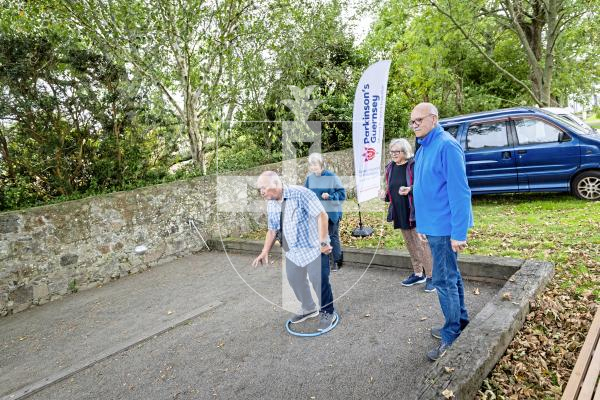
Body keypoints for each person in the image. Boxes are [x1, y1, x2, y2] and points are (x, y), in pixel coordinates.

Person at [410, 102, 474, 361]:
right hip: (433, 226)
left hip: (446, 229)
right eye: (412, 121)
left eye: (419, 120)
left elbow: (460, 192)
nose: (414, 125)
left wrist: (459, 233)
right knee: (451, 276)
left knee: (444, 280)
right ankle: (460, 322)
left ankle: (451, 335)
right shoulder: (425, 145)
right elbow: (428, 188)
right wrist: (423, 226)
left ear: (433, 119)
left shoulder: (446, 145)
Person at [252, 171, 337, 331]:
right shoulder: (271, 202)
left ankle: (327, 311)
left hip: (314, 248)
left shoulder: (301, 194)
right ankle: (308, 308)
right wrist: (265, 252)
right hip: (293, 252)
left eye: (263, 187)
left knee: (318, 278)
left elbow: (322, 216)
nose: (261, 192)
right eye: (259, 189)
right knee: (294, 279)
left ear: (276, 183)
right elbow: (272, 230)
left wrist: (324, 242)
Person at [380, 138, 434, 292]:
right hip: (400, 210)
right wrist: (384, 195)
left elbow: (424, 185)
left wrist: (410, 189)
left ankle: (431, 276)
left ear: (405, 152)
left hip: (415, 210)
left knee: (422, 244)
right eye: (391, 151)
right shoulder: (390, 167)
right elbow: (391, 190)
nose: (393, 154)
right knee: (410, 243)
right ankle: (418, 273)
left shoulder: (414, 165)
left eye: (397, 152)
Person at [304, 153, 346, 272]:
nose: (313, 168)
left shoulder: (332, 177)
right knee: (320, 237)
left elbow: (342, 194)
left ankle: (337, 261)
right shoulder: (309, 179)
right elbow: (305, 194)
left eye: (315, 165)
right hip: (317, 214)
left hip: (332, 213)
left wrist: (331, 196)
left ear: (321, 165)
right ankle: (324, 260)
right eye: (311, 165)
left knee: (332, 236)